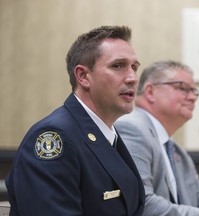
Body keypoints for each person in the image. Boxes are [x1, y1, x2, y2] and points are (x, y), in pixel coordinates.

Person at [6, 26, 145, 216]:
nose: (132, 78)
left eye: (134, 67)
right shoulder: (55, 137)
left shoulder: (105, 133)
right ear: (83, 76)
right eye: (118, 66)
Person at [115, 60, 199, 216]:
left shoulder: (175, 149)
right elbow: (142, 203)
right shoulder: (131, 128)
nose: (193, 97)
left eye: (194, 91)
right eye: (183, 88)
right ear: (151, 92)